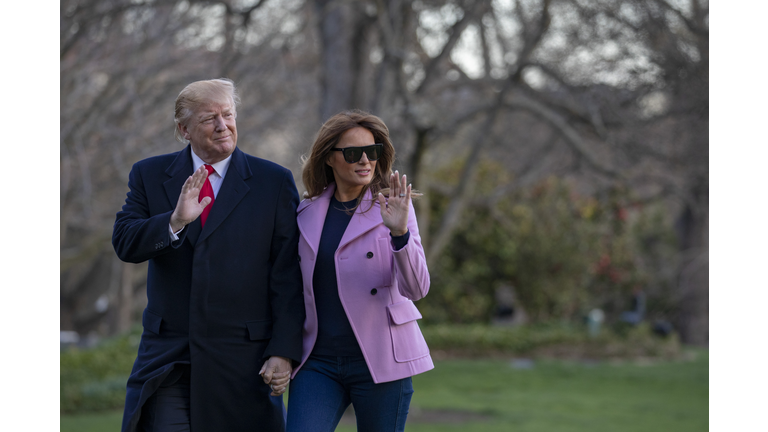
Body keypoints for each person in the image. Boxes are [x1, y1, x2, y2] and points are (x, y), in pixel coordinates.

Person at [112, 78, 305, 432]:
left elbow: (288, 275)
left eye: (227, 115)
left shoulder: (273, 181)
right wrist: (174, 221)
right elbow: (125, 242)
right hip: (170, 359)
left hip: (243, 361)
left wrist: (283, 350)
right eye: (208, 118)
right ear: (184, 130)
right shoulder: (149, 174)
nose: (222, 126)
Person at [286, 110, 433, 432]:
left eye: (373, 151)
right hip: (318, 362)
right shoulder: (305, 212)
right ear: (329, 158)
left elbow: (417, 289)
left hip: (382, 358)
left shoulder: (395, 209)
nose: (365, 160)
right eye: (353, 153)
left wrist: (399, 234)